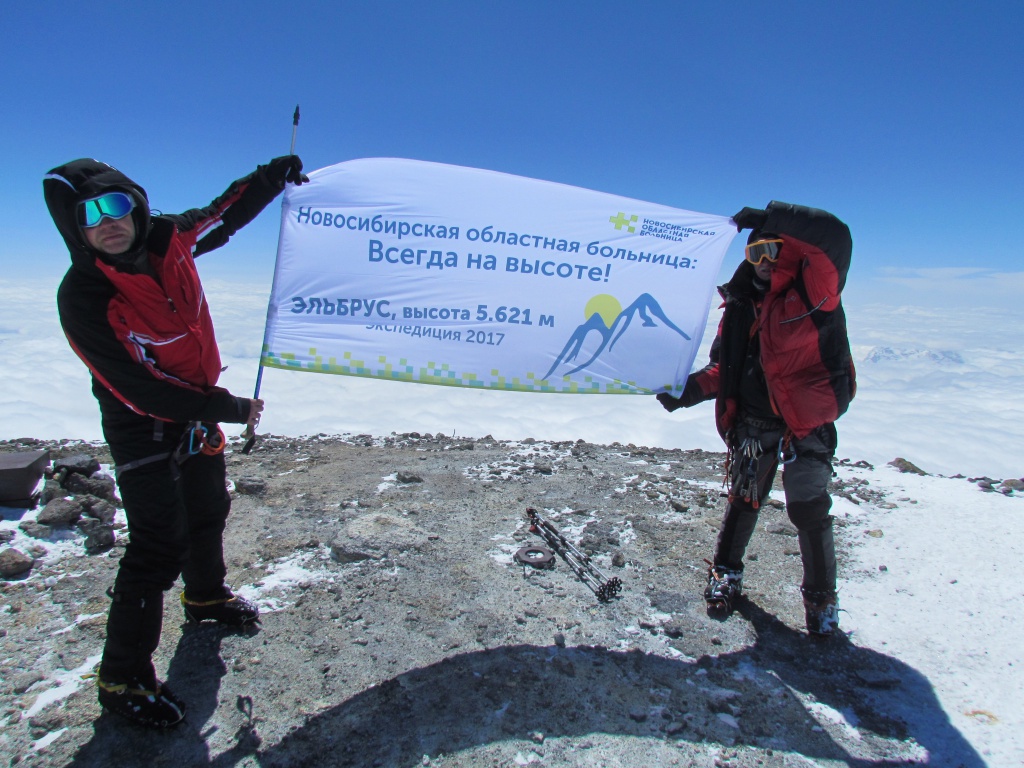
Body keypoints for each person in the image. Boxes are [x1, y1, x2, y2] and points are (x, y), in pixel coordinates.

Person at [43, 154, 308, 727]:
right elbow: (142, 390)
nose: (106, 221)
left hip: (194, 410)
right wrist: (227, 407)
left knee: (208, 509)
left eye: (115, 205)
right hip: (142, 422)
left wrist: (270, 178)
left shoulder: (171, 240)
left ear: (134, 207)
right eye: (88, 215)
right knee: (157, 545)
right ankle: (122, 678)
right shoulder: (85, 295)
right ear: (75, 229)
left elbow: (222, 213)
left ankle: (205, 598)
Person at [657, 201, 855, 638]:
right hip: (753, 424)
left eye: (772, 249)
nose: (764, 262)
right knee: (744, 501)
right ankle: (726, 574)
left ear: (788, 251)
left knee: (808, 510)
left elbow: (835, 239)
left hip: (804, 426)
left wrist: (773, 217)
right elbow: (722, 369)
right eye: (754, 253)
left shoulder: (815, 292)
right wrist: (686, 392)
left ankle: (821, 599)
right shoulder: (741, 307)